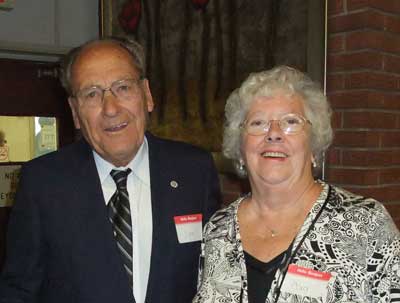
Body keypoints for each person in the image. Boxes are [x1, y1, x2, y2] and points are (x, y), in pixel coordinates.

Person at [0, 37, 221, 303]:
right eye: (92, 94)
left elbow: (215, 278)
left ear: (147, 95)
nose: (111, 109)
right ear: (74, 111)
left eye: (123, 87)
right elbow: (19, 292)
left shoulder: (194, 171)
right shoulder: (43, 183)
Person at [193, 66, 400, 303]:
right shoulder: (218, 230)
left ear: (313, 146)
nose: (273, 134)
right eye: (258, 123)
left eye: (291, 121)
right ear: (240, 148)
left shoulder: (366, 224)